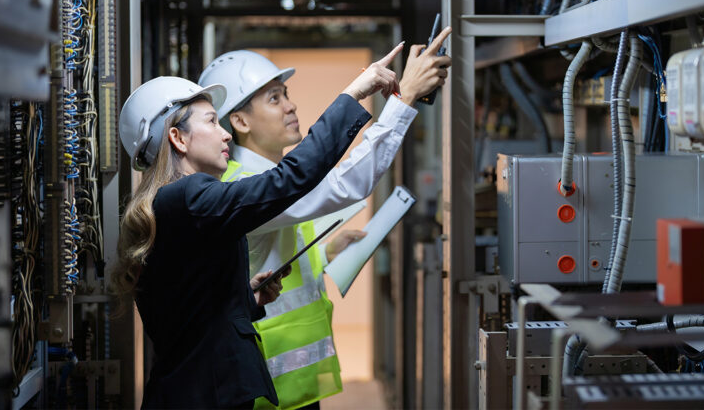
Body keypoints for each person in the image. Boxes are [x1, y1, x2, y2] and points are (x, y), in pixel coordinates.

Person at [111, 61, 399, 409]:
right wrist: (354, 95)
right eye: (212, 122)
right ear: (178, 138)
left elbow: (190, 314)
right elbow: (290, 178)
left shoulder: (173, 203)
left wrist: (246, 298)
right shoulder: (189, 197)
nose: (225, 134)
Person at [197, 28, 452, 410]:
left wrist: (325, 252)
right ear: (240, 121)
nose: (290, 106)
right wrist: (405, 98)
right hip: (262, 389)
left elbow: (268, 257)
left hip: (289, 385)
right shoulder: (242, 188)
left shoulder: (264, 180)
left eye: (286, 94)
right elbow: (344, 183)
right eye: (274, 98)